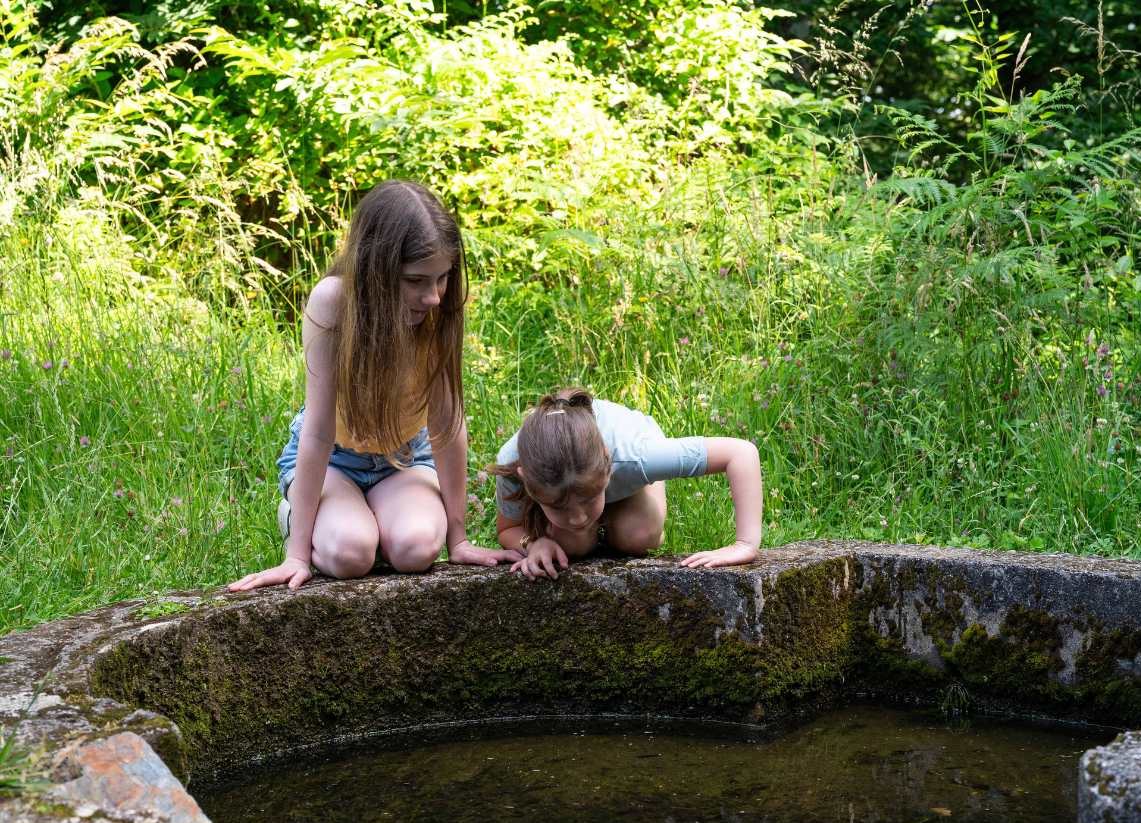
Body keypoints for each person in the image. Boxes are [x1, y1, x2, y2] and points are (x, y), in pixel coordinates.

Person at [228, 180, 519, 592]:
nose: (433, 297)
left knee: (416, 550)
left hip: (405, 457)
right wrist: (297, 556)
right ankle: (305, 517)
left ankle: (375, 520)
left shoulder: (437, 309)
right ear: (375, 270)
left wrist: (459, 541)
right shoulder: (333, 302)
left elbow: (446, 422)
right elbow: (318, 430)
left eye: (442, 278)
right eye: (416, 280)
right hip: (334, 461)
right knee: (350, 554)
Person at [489, 388, 761, 579]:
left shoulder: (637, 456)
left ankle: (621, 514)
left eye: (589, 500)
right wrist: (533, 543)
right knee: (570, 544)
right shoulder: (512, 463)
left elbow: (741, 453)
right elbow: (508, 529)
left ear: (607, 462)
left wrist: (745, 544)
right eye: (559, 507)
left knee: (637, 534)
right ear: (526, 480)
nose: (577, 517)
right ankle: (587, 526)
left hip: (629, 476)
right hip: (589, 475)